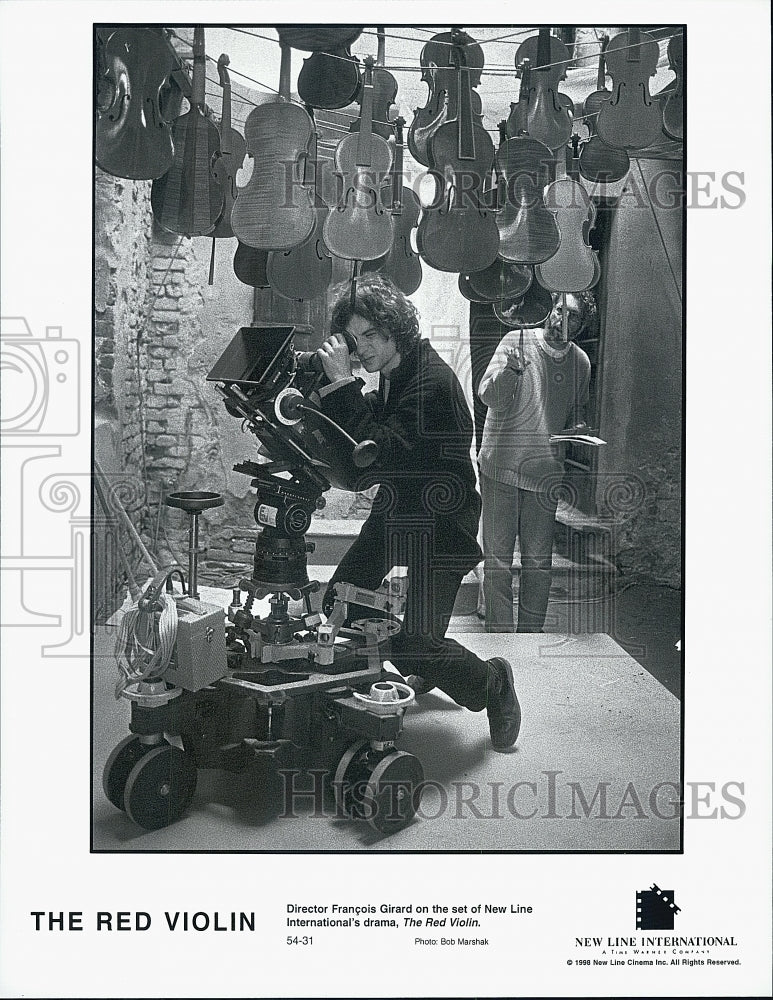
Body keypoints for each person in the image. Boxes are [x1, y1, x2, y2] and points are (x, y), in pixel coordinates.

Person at [314, 274, 520, 751]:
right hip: (401, 507)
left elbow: (383, 452)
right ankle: (387, 676)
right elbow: (381, 437)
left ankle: (493, 682)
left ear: (395, 331)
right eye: (354, 337)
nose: (361, 348)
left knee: (418, 646)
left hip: (443, 522)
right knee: (340, 604)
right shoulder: (395, 371)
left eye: (371, 336)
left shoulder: (431, 381)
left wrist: (343, 384)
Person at [477, 292, 593, 632]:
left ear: (582, 326)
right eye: (559, 310)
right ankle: (499, 639)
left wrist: (579, 430)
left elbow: (574, 414)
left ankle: (529, 636)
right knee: (497, 562)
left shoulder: (581, 363)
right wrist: (510, 372)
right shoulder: (517, 340)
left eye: (572, 316)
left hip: (544, 475)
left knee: (539, 563)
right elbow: (489, 396)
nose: (561, 320)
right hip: (501, 465)